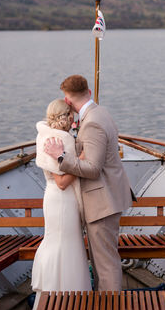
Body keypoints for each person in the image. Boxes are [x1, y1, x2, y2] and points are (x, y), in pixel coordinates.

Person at [43, 74, 133, 291]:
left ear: (67, 100)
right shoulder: (100, 112)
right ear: (89, 92)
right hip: (107, 197)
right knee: (104, 261)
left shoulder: (92, 123)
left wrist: (61, 157)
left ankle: (111, 309)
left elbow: (93, 169)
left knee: (105, 264)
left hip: (102, 202)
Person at [30, 99, 91, 310]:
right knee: (66, 246)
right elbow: (63, 182)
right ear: (66, 117)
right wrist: (82, 159)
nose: (74, 118)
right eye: (72, 115)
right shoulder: (61, 139)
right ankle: (68, 303)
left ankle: (51, 300)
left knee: (58, 242)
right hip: (63, 200)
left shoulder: (44, 135)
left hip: (51, 198)